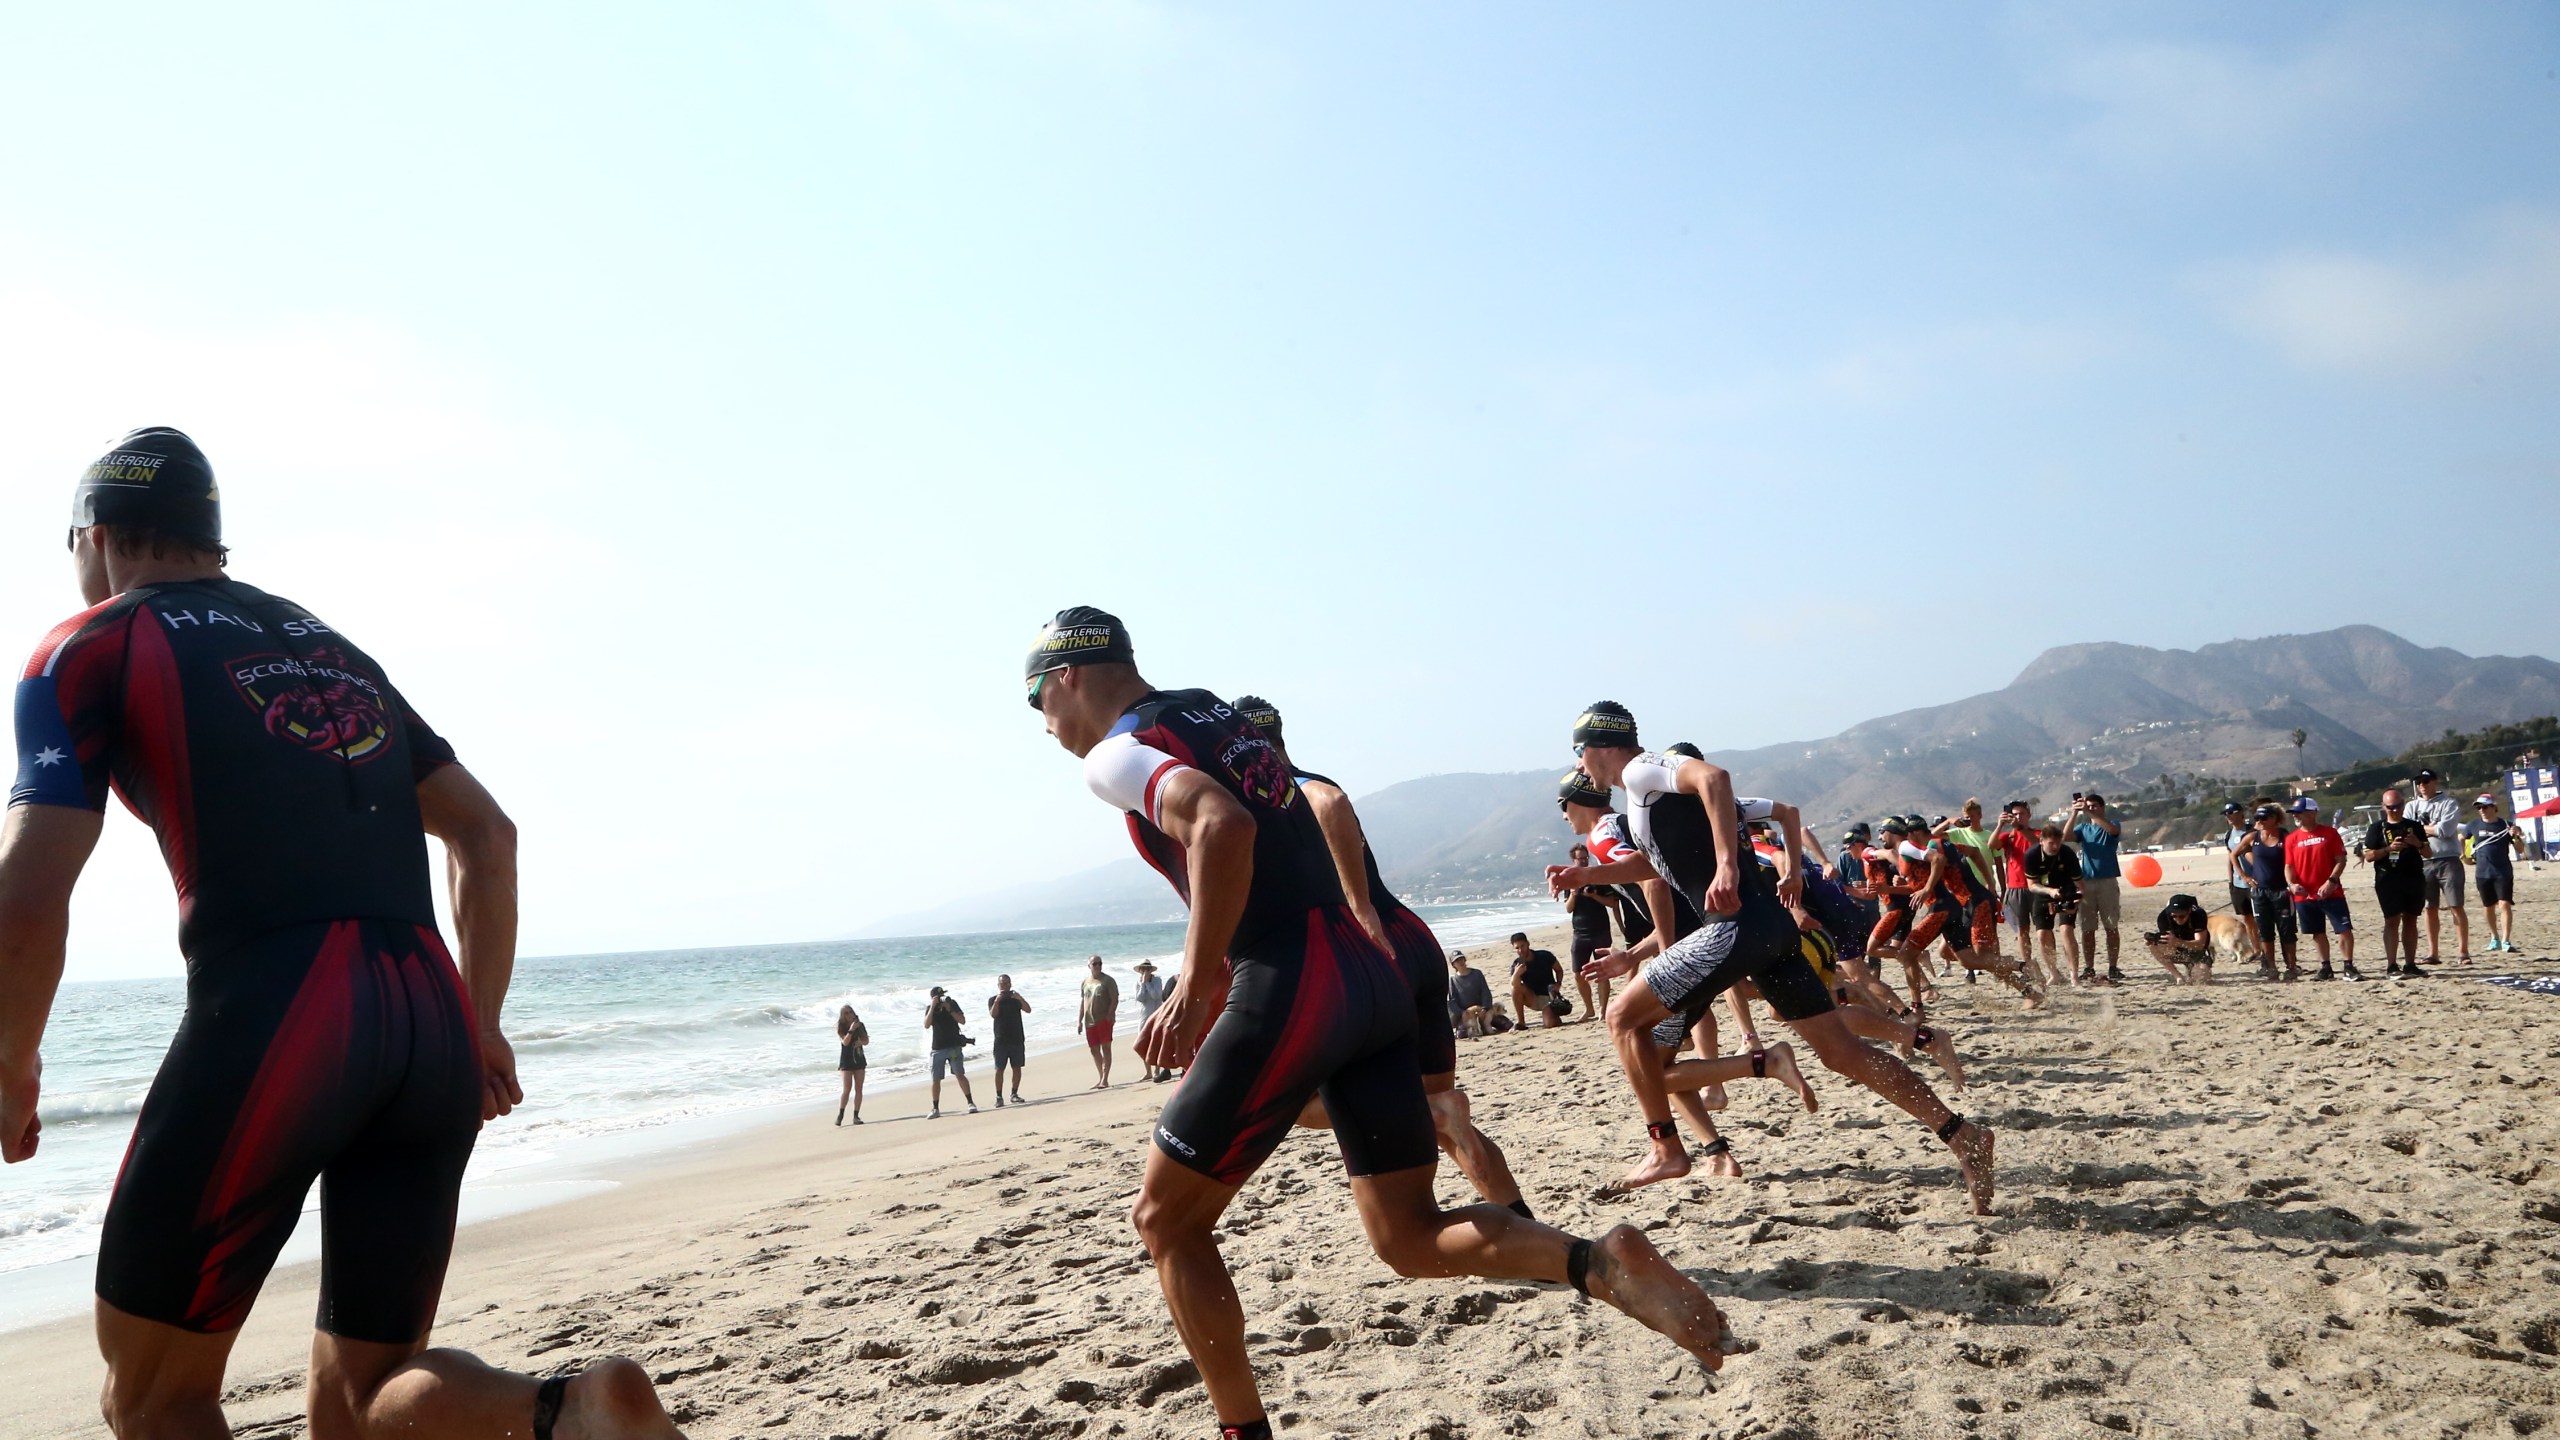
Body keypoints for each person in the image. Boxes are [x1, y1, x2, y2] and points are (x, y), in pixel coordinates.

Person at [0, 430, 683, 1440]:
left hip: (281, 1019)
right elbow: (488, 837)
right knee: (365, 1403)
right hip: (430, 1031)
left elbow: (28, 889)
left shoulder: (90, 644)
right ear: (212, 544)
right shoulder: (331, 647)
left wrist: (11, 1064)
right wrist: (480, 1022)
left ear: (95, 538)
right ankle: (565, 1410)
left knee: (153, 1397)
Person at [1024, 612, 1734, 1437]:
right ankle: (1596, 1262)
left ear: (1069, 673)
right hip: (1373, 978)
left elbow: (1223, 826)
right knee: (1408, 1236)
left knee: (1165, 1220)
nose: (1043, 724)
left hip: (1294, 979)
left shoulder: (1117, 751)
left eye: (1035, 698)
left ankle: (1240, 1433)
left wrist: (1195, 979)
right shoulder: (1210, 710)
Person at [1547, 703, 1994, 1211]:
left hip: (1734, 929)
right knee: (1842, 1052)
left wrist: (1726, 868)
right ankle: (1963, 1135)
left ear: (1599, 746)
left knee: (1622, 1018)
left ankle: (1666, 1148)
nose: (1582, 767)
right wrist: (1586, 877)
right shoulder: (1643, 797)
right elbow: (1657, 864)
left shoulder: (1641, 768)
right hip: (1772, 933)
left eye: (1580, 754)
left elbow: (1715, 777)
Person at [1231, 694, 1532, 1214]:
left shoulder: (1283, 794)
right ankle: (1525, 1227)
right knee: (1443, 1113)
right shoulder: (1308, 778)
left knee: (1294, 1103)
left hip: (1366, 953)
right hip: (1411, 939)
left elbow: (1328, 805)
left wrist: (1357, 909)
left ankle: (1432, 1117)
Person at [2283, 797, 2360, 981]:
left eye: (2299, 812)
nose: (2296, 816)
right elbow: (2289, 866)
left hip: (2331, 892)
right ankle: (2326, 967)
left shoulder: (2330, 833)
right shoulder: (2292, 838)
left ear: (2312, 813)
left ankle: (2348, 965)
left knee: (2344, 929)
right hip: (2305, 896)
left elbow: (2341, 860)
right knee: (2317, 932)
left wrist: (2331, 881)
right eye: (2294, 813)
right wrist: (2292, 885)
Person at [2360, 789, 2432, 978]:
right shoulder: (2376, 828)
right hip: (2388, 878)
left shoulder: (2414, 826)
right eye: (2390, 807)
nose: (2395, 810)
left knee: (2411, 919)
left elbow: (2428, 853)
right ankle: (2392, 964)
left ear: (2403, 805)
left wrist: (2417, 843)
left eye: (2398, 806)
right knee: (2391, 920)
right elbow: (2368, 856)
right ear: (2384, 807)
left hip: (2413, 877)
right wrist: (2388, 848)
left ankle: (2410, 963)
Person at [2410, 768, 2472, 964]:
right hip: (2423, 861)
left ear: (2435, 782)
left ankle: (2463, 952)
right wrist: (2429, 830)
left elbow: (2445, 830)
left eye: (2426, 781)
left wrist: (2421, 830)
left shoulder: (2448, 803)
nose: (2422, 785)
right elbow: (2407, 830)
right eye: (2419, 782)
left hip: (2448, 859)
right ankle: (2433, 952)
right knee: (2430, 908)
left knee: (2456, 905)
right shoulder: (2412, 806)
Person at [1562, 842, 1625, 1021]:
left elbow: (1613, 903)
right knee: (1577, 972)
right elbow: (1568, 909)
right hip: (1580, 932)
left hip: (1600, 931)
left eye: (1585, 858)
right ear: (1573, 860)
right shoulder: (1570, 879)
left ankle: (1602, 1009)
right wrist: (1574, 893)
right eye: (1580, 859)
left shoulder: (1597, 877)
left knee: (1602, 970)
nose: (1583, 861)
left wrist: (1594, 895)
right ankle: (1588, 1008)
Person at [2237, 804, 2300, 979]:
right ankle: (2271, 967)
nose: (2260, 822)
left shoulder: (2285, 837)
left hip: (2281, 890)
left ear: (2275, 818)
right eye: (2257, 818)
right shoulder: (2252, 837)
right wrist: (2244, 876)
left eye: (2264, 818)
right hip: (2260, 892)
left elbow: (2295, 860)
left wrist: (2294, 882)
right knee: (2265, 932)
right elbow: (2233, 854)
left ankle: (2291, 967)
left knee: (2286, 931)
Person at [2019, 825, 2088, 983]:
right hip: (2044, 892)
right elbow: (2032, 885)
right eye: (2051, 843)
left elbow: (2081, 885)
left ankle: (2074, 975)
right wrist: (2050, 891)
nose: (2056, 847)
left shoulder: (2067, 853)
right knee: (2042, 934)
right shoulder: (2031, 855)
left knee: (2066, 930)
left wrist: (2077, 900)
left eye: (2058, 843)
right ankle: (2054, 973)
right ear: (2041, 841)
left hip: (2067, 891)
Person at [2069, 793, 2126, 983]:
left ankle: (2113, 966)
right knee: (2087, 928)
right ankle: (2089, 967)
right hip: (2087, 881)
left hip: (2107, 881)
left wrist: (2092, 814)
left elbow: (2113, 831)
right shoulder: (2083, 828)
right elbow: (2065, 837)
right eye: (2089, 806)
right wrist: (2074, 814)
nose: (2091, 808)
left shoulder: (2113, 823)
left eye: (2094, 806)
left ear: (2102, 807)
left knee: (2111, 926)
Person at [2469, 796, 2527, 954]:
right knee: (2488, 906)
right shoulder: (2473, 824)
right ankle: (2494, 937)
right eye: (2479, 808)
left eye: (2485, 807)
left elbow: (2521, 850)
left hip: (2503, 871)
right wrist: (2464, 855)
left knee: (2504, 904)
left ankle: (2506, 940)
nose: (2482, 810)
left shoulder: (2506, 825)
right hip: (2482, 871)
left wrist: (2516, 836)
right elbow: (2463, 837)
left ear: (2494, 807)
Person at [925, 986, 978, 1117]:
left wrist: (949, 1010)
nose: (942, 997)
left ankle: (970, 1103)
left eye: (943, 995)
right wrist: (933, 1006)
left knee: (959, 1073)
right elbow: (926, 1024)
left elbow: (962, 1021)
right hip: (938, 1048)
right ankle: (935, 1108)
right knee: (936, 1079)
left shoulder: (952, 1004)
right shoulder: (930, 1008)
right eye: (939, 996)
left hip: (953, 1047)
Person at [2143, 895, 2213, 984]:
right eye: (2174, 916)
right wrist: (2155, 940)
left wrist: (2177, 942)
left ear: (2189, 911)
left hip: (2196, 950)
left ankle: (2193, 967)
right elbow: (2168, 942)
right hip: (2178, 950)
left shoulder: (2198, 915)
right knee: (2153, 946)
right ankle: (2178, 976)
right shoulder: (2164, 917)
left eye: (2182, 916)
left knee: (2201, 978)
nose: (2177, 919)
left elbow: (2200, 945)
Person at [988, 974, 1031, 1104]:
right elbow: (993, 1014)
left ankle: (1014, 1093)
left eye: (1007, 983)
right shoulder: (993, 999)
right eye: (1002, 984)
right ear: (998, 986)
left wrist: (1020, 998)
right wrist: (997, 1001)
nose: (1005, 986)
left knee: (1016, 1067)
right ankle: (999, 1097)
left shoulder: (1015, 998)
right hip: (1001, 1039)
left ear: (1010, 984)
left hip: (1016, 1038)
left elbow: (1028, 1009)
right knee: (999, 1068)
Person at [1509, 932, 1566, 1029]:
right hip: (1531, 997)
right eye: (1517, 948)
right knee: (1515, 989)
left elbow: (1559, 970)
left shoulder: (1544, 956)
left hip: (1548, 997)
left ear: (1528, 943)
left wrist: (1558, 983)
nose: (1520, 950)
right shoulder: (1517, 964)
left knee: (1549, 1024)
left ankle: (1554, 1016)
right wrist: (1517, 973)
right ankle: (1521, 1022)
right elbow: (1515, 985)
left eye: (1522, 946)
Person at [1078, 955, 1119, 1089]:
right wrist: (1079, 1020)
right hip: (1089, 1021)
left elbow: (1114, 999)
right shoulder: (1085, 982)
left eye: (1099, 963)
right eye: (1094, 964)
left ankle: (1105, 1079)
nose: (1097, 966)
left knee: (1106, 1048)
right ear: (1089, 965)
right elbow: (1083, 1001)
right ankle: (1101, 1076)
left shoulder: (1108, 981)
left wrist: (1110, 1015)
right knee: (1094, 1050)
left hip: (1103, 1019)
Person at [1134, 960, 1174, 1081]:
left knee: (1157, 1042)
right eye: (1143, 969)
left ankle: (1157, 1070)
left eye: (1148, 969)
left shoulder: (1157, 980)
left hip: (1157, 1015)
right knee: (1142, 1043)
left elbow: (1156, 996)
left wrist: (1148, 984)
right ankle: (1148, 1071)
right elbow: (1139, 998)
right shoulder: (1138, 982)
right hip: (1144, 1016)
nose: (1145, 971)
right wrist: (1143, 983)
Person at [2217, 802, 2256, 920]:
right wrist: (2231, 881)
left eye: (2230, 813)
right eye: (2225, 814)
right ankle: (2254, 939)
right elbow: (2230, 859)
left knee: (2260, 916)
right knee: (2247, 918)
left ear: (2240, 813)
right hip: (2238, 883)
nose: (2228, 817)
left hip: (2254, 880)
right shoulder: (2228, 835)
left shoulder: (2251, 831)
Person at [1447, 952, 1496, 1038]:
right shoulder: (1452, 980)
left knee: (1505, 1025)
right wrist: (1462, 1012)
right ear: (1453, 965)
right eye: (1457, 960)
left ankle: (1485, 1026)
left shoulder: (1477, 973)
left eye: (1461, 959)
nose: (1460, 962)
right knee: (1462, 1034)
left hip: (1482, 1010)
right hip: (1466, 1013)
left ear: (1465, 959)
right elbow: (1452, 1001)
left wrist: (1485, 1008)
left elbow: (1485, 992)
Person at [837, 1004, 870, 1124]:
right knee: (847, 1088)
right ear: (843, 1016)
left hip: (858, 1058)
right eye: (846, 1013)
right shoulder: (840, 1026)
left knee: (859, 1088)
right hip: (846, 1059)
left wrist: (861, 1042)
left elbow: (866, 1041)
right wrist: (851, 1029)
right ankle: (841, 1114)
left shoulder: (860, 1025)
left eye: (850, 1012)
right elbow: (845, 1042)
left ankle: (856, 1115)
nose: (850, 1015)